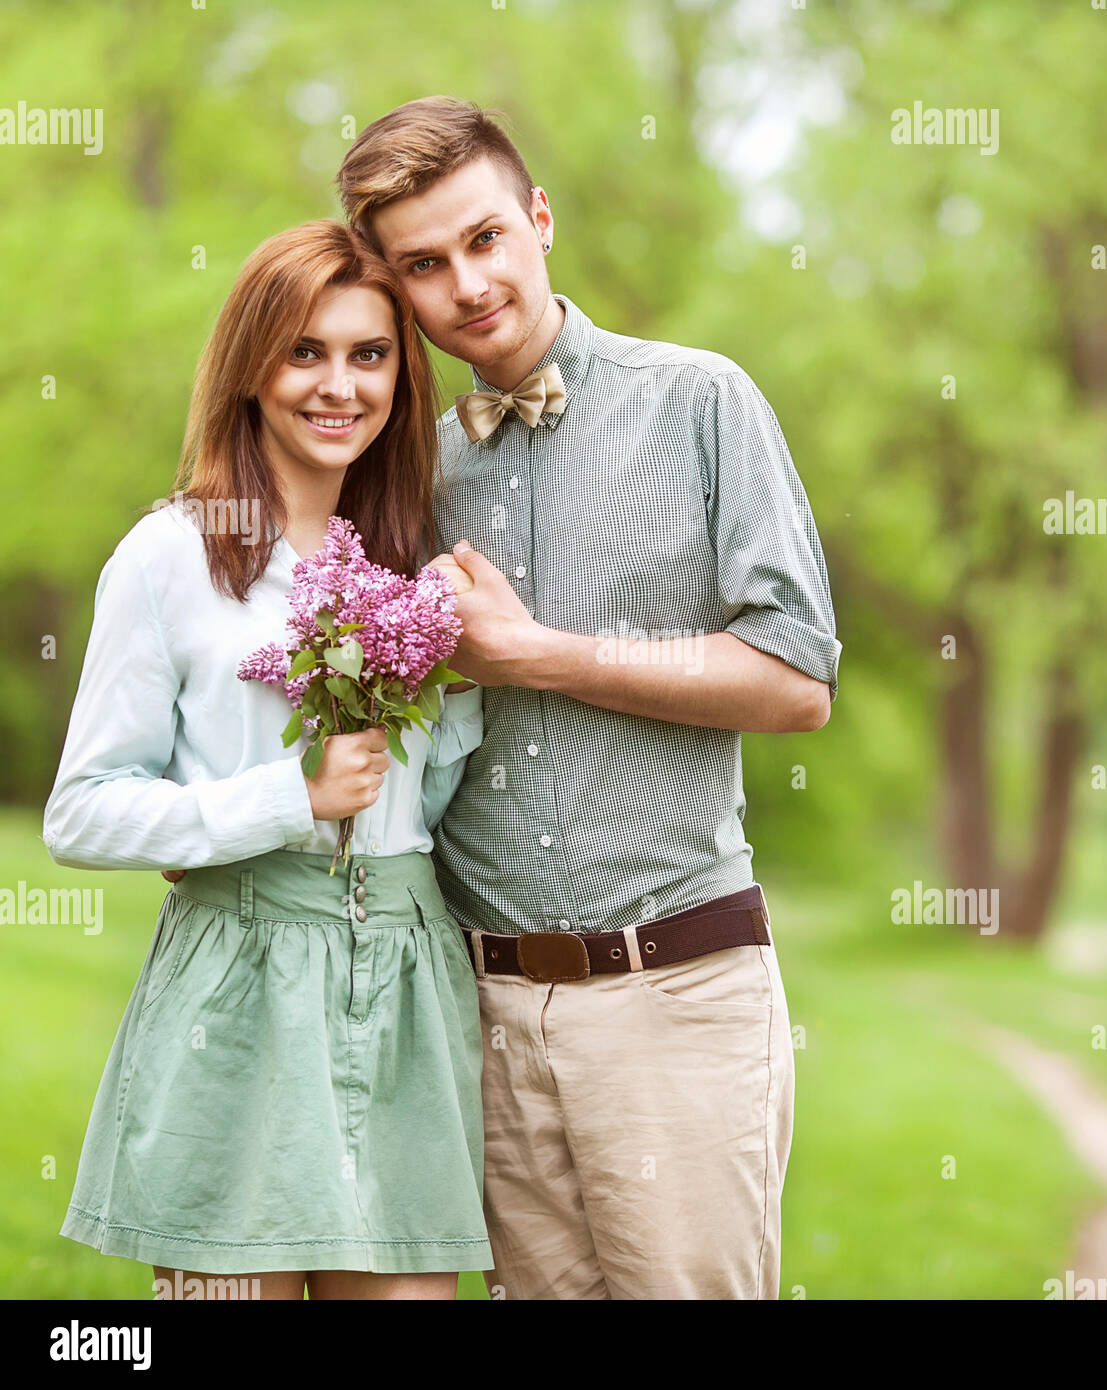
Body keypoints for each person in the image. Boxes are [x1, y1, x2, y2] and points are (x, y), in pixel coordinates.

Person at [336, 97, 842, 1300]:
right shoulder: (398, 466)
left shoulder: (700, 403)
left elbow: (796, 681)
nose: (467, 283)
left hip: (677, 986)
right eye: (423, 264)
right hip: (484, 1007)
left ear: (540, 219)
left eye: (485, 238)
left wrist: (538, 654)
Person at [42, 220, 492, 1300]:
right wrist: (281, 801)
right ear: (251, 365)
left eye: (369, 355)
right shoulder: (170, 556)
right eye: (305, 352)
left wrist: (471, 672)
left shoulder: (416, 565)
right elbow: (84, 811)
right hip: (237, 991)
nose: (338, 386)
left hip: (403, 981)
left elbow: (428, 805)